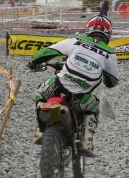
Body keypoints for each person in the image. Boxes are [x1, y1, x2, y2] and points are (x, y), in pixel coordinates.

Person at [26, 15, 120, 156]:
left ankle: (41, 129)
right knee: (95, 106)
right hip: (80, 99)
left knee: (40, 93)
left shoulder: (76, 41)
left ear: (88, 29)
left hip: (57, 87)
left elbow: (48, 51)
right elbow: (112, 82)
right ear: (108, 34)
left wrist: (32, 63)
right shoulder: (109, 54)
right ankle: (86, 142)